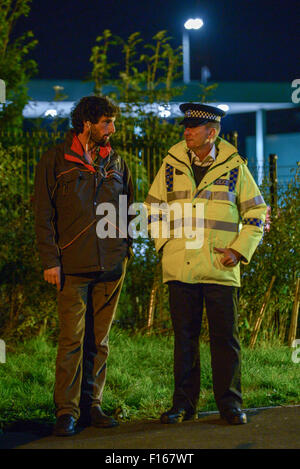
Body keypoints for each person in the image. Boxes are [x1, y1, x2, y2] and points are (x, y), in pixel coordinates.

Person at [145, 103, 267, 425]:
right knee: (184, 340)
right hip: (180, 267)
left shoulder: (235, 166)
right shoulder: (170, 164)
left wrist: (239, 251)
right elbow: (153, 209)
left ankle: (230, 405)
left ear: (211, 133)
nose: (186, 131)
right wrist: (164, 246)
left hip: (219, 267)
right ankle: (183, 405)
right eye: (185, 126)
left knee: (225, 339)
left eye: (193, 127)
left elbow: (257, 215)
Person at [34, 96, 133, 436]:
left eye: (113, 122)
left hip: (111, 266)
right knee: (72, 340)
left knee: (100, 341)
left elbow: (128, 206)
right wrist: (51, 260)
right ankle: (66, 412)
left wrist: (125, 250)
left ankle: (93, 407)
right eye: (107, 122)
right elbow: (43, 214)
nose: (113, 129)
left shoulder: (118, 162)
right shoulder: (56, 160)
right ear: (88, 124)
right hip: (72, 267)